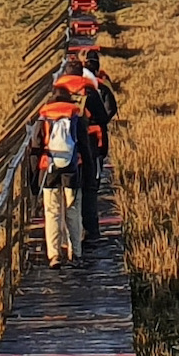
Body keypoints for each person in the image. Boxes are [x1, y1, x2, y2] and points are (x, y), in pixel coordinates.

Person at [54, 51, 117, 243]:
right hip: (90, 144)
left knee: (64, 192)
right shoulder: (89, 91)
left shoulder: (57, 93)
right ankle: (90, 232)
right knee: (89, 189)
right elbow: (104, 115)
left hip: (63, 148)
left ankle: (64, 238)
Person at [32, 85, 88, 264]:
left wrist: (34, 178)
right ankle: (76, 253)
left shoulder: (44, 117)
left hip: (49, 170)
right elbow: (84, 146)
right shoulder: (75, 116)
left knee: (52, 212)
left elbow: (35, 147)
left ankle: (54, 254)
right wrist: (89, 173)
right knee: (73, 210)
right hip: (72, 169)